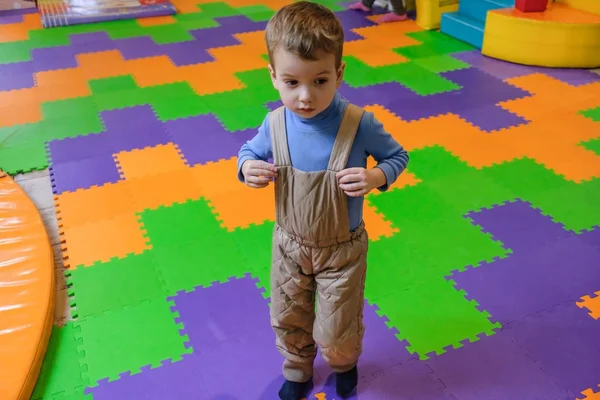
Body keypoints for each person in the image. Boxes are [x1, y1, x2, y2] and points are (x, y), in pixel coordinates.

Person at [236, 2, 409, 399]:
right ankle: (296, 369)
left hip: (341, 250)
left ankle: (344, 363)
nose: (305, 96)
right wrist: (248, 169)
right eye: (292, 83)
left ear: (339, 74)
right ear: (273, 77)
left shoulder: (358, 123)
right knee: (287, 314)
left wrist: (375, 176)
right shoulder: (274, 123)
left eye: (320, 81)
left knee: (338, 325)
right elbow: (247, 153)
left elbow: (398, 157)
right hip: (289, 245)